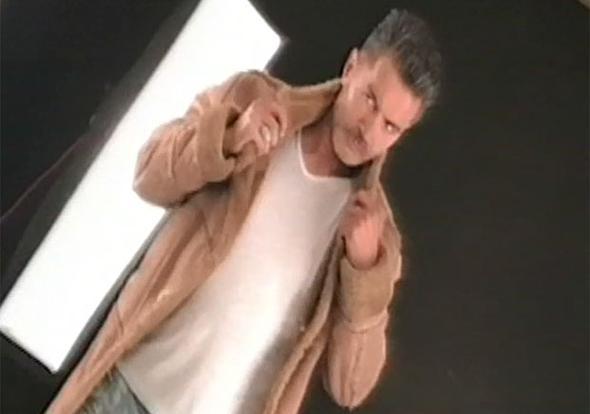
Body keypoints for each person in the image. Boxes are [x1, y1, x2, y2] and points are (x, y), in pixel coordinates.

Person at [46, 8, 441, 414]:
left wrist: (363, 271)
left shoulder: (375, 238)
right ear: (352, 67)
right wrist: (229, 138)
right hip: (124, 389)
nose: (369, 130)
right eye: (370, 100)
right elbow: (148, 175)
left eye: (390, 126)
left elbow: (349, 389)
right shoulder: (255, 101)